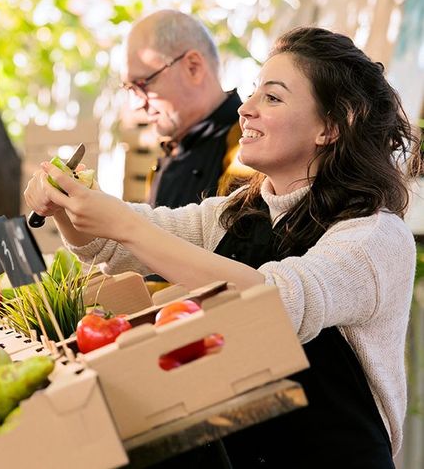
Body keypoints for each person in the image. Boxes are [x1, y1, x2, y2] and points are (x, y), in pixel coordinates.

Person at [26, 27, 419, 467]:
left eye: (272, 98)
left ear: (331, 125)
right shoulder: (239, 212)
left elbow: (278, 306)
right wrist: (65, 206)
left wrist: (126, 226)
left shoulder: (374, 237)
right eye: (253, 93)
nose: (246, 109)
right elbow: (116, 244)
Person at [123, 10, 250, 208]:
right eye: (129, 88)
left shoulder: (246, 146)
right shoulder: (169, 154)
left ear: (193, 67)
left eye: (143, 84)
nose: (135, 104)